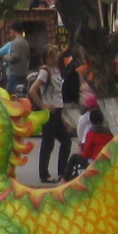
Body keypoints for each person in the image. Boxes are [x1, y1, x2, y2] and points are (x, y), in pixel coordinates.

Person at [30, 50, 70, 184]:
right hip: (50, 112)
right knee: (48, 143)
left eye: (56, 55)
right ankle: (44, 174)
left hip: (58, 110)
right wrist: (43, 105)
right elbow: (33, 90)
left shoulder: (57, 70)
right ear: (46, 58)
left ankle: (62, 172)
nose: (55, 58)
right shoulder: (45, 72)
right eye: (52, 56)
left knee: (66, 141)